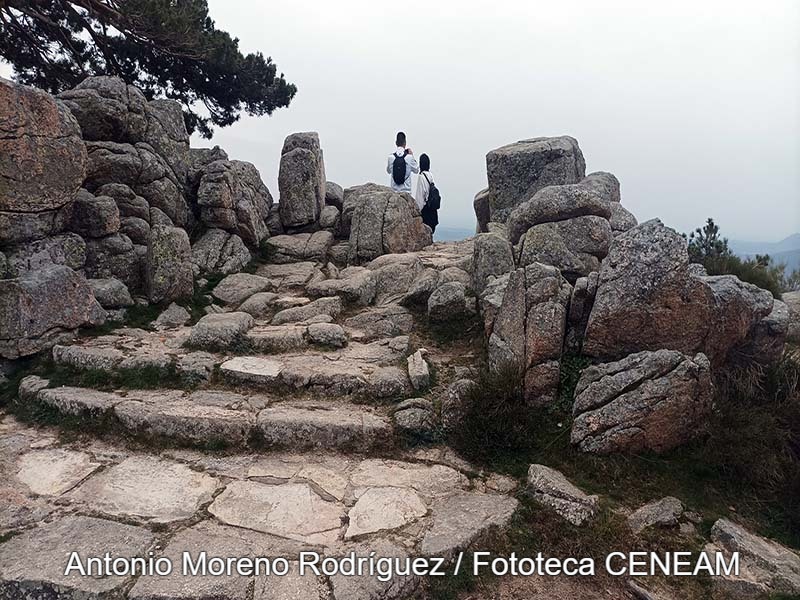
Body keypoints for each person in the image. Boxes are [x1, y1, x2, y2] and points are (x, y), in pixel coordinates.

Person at [415, 153, 439, 233]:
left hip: (426, 212)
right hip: (433, 211)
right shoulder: (430, 175)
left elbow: (420, 197)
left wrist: (417, 212)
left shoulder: (421, 177)